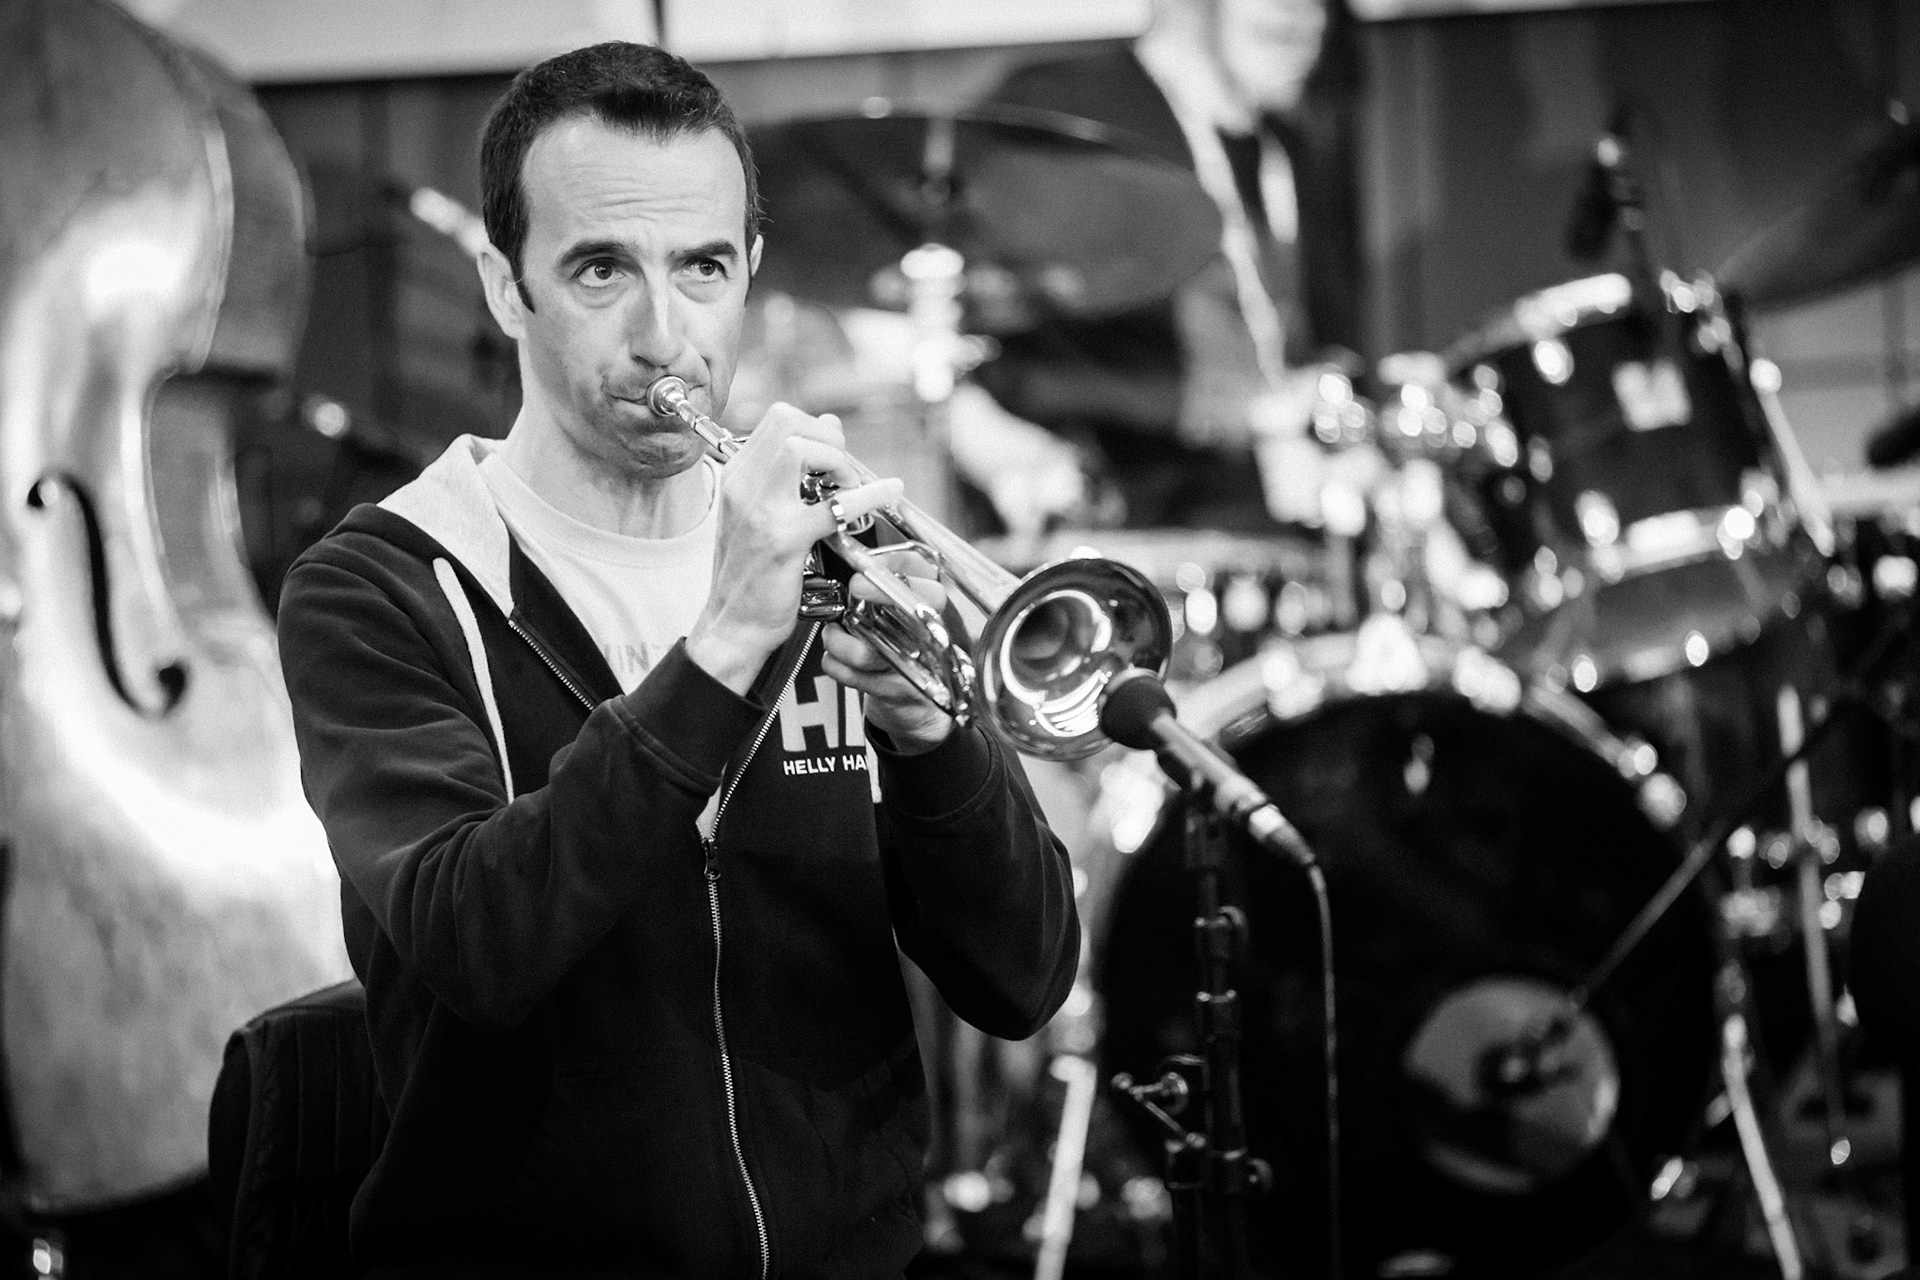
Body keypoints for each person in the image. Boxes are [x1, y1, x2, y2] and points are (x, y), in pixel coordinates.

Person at [275, 42, 1079, 1278]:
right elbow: (477, 944)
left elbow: (1023, 978)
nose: (666, 336)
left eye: (702, 267)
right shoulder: (382, 587)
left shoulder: (830, 557)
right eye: (602, 269)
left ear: (748, 268)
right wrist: (726, 641)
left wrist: (934, 741)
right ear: (505, 286)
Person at [965, 0, 1364, 534]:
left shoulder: (1289, 152)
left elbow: (1319, 345)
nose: (1304, 16)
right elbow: (927, 311)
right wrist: (991, 445)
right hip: (1110, 520)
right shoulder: (1065, 111)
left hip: (1266, 518)